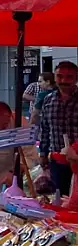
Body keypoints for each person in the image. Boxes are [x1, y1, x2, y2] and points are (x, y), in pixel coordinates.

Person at [39, 62, 78, 197]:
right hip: (57, 161)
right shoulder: (48, 100)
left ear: (76, 78)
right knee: (59, 199)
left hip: (77, 160)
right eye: (60, 76)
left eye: (69, 77)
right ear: (54, 77)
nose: (63, 81)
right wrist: (43, 154)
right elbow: (44, 128)